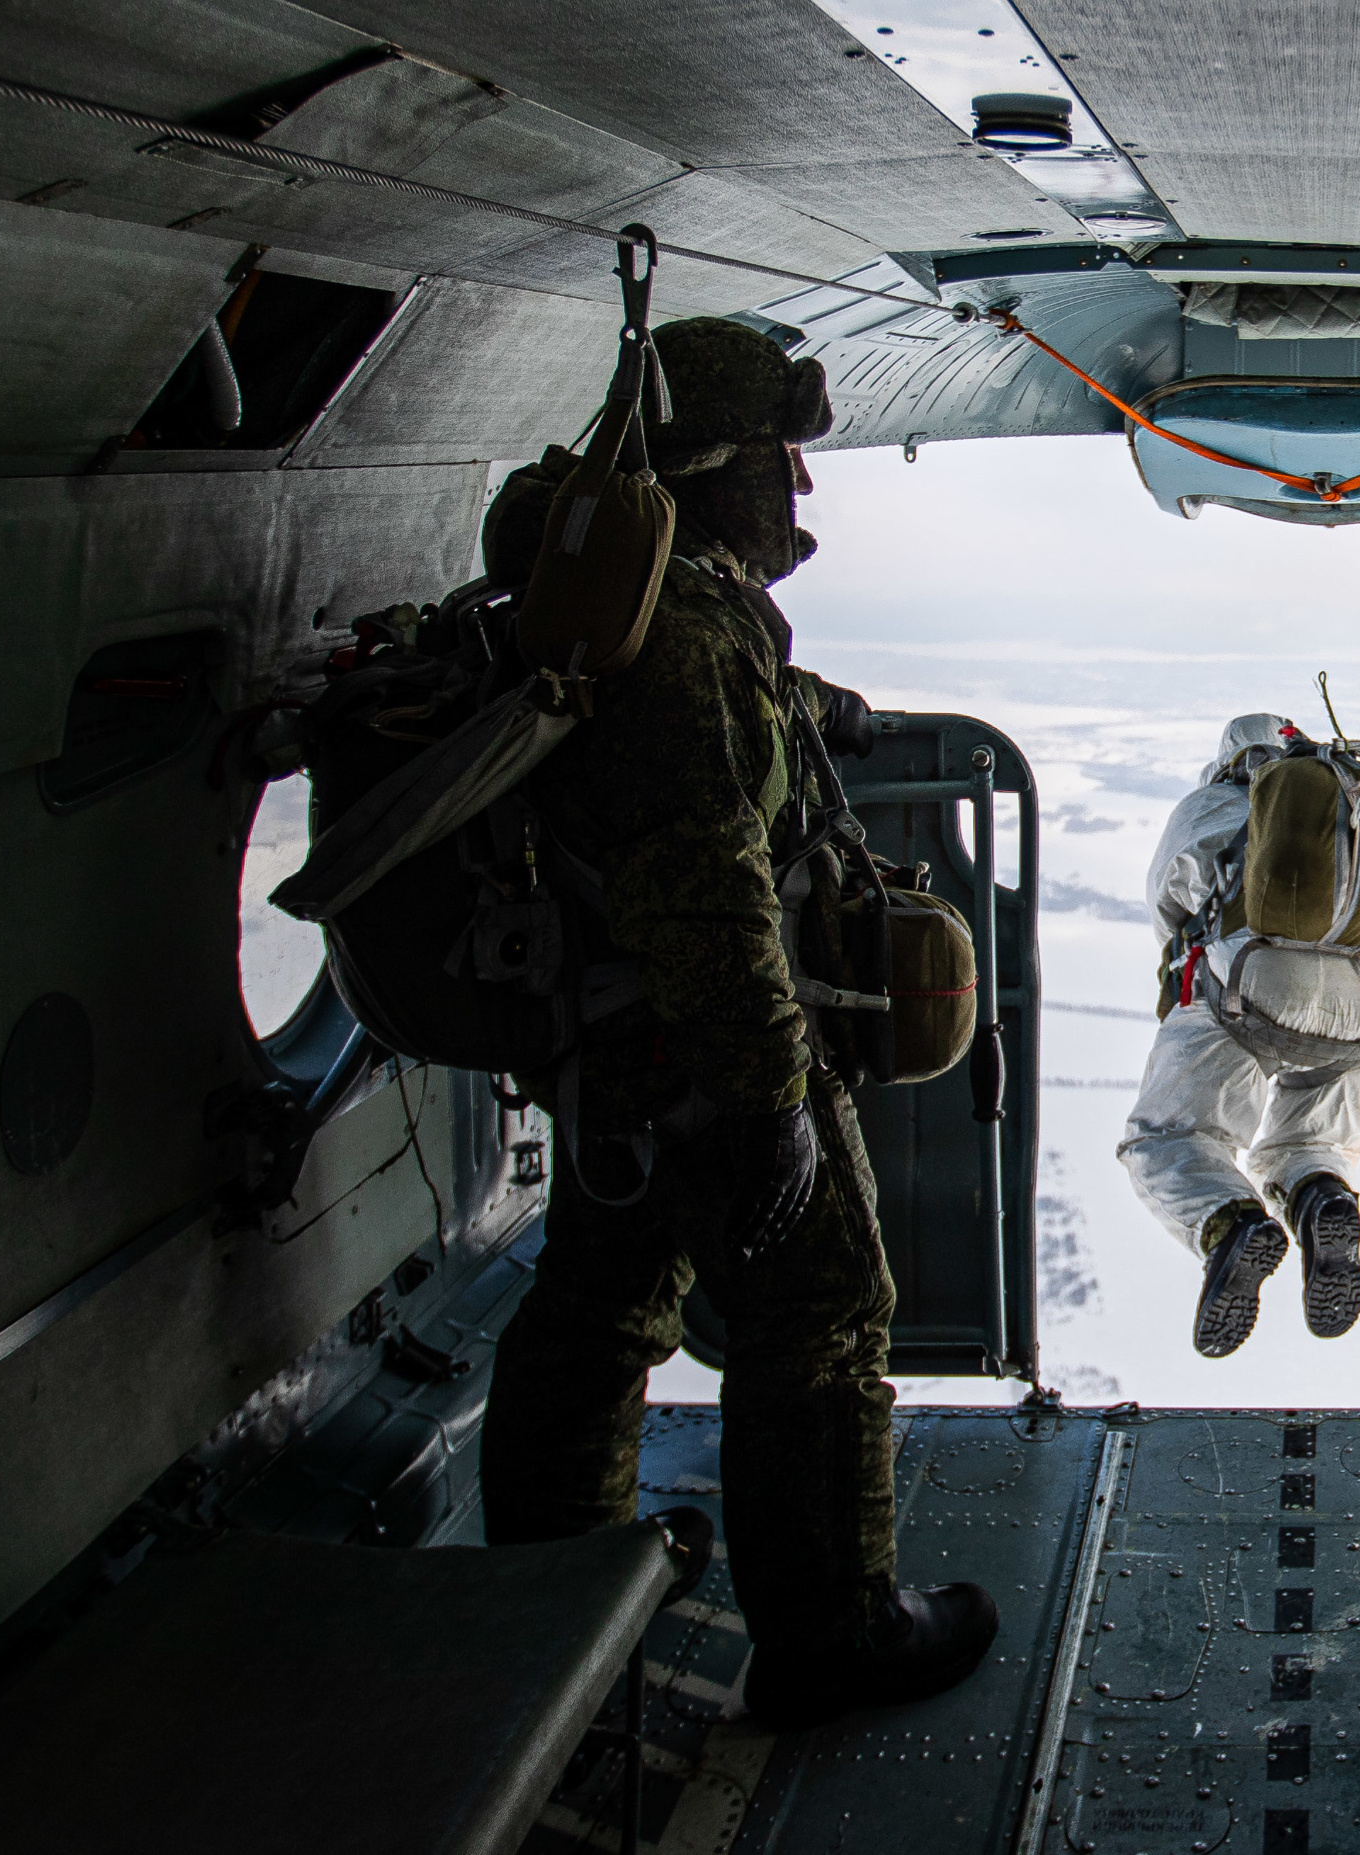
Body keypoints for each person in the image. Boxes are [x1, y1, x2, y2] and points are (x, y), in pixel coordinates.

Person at [476, 316, 996, 1726]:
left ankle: (544, 1601)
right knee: (826, 1309)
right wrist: (773, 1099)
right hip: (707, 1053)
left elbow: (700, 759)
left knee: (598, 1305)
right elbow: (705, 879)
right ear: (715, 466)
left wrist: (819, 705)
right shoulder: (687, 643)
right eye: (782, 457)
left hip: (623, 1056)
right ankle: (835, 1635)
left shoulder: (660, 613)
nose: (801, 491)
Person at [1117, 714, 1360, 1357]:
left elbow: (1169, 905)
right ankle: (1322, 1197)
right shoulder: (1349, 806)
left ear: (1231, 760)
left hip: (1249, 987)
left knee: (1168, 1140)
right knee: (1311, 1141)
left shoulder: (1212, 804)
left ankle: (1232, 1223)